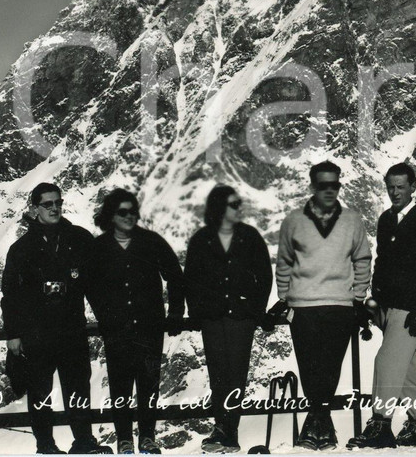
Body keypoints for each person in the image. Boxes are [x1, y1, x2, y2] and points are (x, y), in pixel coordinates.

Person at [346, 162, 416, 449]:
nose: (395, 192)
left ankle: (380, 425)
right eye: (390, 187)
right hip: (387, 308)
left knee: (385, 362)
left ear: (413, 186)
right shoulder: (386, 219)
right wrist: (374, 301)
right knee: (404, 366)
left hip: (411, 308)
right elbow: (382, 263)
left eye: (400, 187)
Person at [273, 160, 372, 450]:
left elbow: (362, 259)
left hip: (340, 304)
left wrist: (358, 297)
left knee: (330, 368)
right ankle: (323, 427)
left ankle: (315, 427)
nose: (330, 190)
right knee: (309, 367)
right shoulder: (294, 220)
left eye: (334, 184)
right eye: (323, 185)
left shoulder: (352, 219)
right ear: (313, 186)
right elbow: (284, 261)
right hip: (302, 305)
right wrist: (284, 297)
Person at [1, 182, 105, 455]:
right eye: (48, 204)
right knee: (39, 393)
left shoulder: (80, 239)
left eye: (58, 202)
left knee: (78, 390)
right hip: (37, 334)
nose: (55, 208)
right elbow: (10, 295)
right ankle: (45, 446)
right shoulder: (21, 249)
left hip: (72, 330)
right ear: (35, 209)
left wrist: (108, 319)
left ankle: (83, 442)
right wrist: (13, 334)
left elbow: (97, 285)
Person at [87, 189, 185, 455]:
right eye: (122, 212)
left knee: (148, 383)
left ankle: (148, 438)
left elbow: (175, 276)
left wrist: (176, 312)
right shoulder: (99, 248)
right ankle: (124, 440)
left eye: (133, 211)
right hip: (116, 330)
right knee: (120, 384)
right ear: (110, 216)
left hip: (150, 328)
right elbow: (89, 286)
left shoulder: (151, 242)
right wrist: (105, 315)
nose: (130, 217)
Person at [184, 184, 272, 453]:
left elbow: (264, 276)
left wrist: (256, 310)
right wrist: (197, 312)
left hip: (241, 318)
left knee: (236, 376)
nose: (239, 209)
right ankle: (222, 428)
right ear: (220, 207)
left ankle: (228, 431)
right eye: (234, 204)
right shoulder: (201, 239)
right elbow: (191, 279)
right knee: (218, 375)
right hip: (212, 318)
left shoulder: (250, 236)